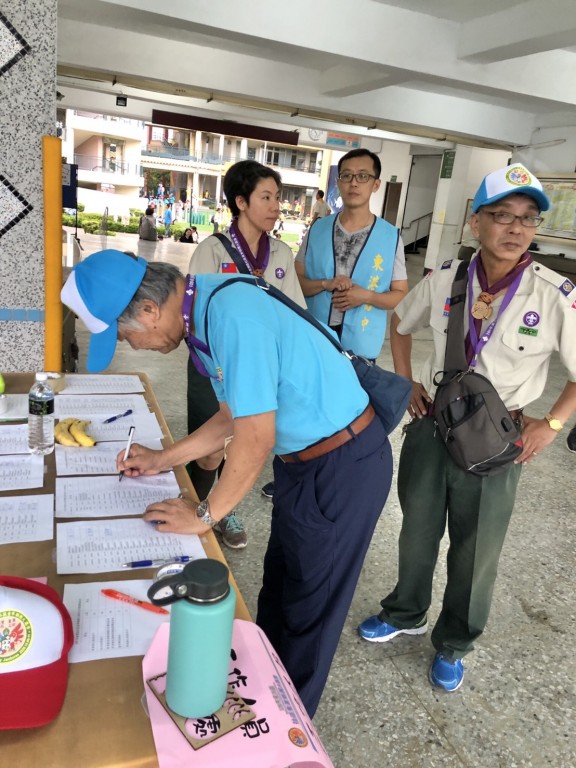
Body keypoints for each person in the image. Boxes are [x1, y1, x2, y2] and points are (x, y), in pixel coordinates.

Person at [60, 249, 393, 718]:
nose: (132, 345)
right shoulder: (205, 312)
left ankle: (288, 730)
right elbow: (230, 417)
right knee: (278, 592)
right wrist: (163, 459)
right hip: (304, 464)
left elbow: (255, 439)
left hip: (342, 465)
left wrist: (203, 517)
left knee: (309, 617)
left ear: (150, 311)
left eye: (124, 333)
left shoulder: (232, 316)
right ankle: (264, 693)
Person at [358, 163, 576, 692]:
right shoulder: (442, 281)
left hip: (501, 441)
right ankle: (405, 610)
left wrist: (551, 422)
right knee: (417, 532)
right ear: (475, 223)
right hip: (434, 430)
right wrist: (406, 381)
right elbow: (400, 323)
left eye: (528, 218)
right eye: (502, 215)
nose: (516, 228)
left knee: (477, 550)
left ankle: (455, 642)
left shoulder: (553, 294)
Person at [186, 160, 306, 547]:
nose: (275, 206)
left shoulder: (281, 255)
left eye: (278, 198)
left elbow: (295, 313)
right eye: (266, 198)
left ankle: (224, 511)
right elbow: (193, 313)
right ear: (241, 201)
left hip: (259, 371)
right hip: (215, 369)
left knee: (243, 443)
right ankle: (195, 506)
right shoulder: (211, 250)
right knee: (209, 450)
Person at [295, 148, 409, 362]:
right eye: (346, 175)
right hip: (315, 340)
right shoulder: (317, 230)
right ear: (338, 182)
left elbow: (401, 294)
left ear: (376, 185)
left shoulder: (390, 237)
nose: (353, 183)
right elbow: (296, 282)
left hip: (361, 349)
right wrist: (324, 284)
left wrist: (367, 296)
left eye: (363, 176)